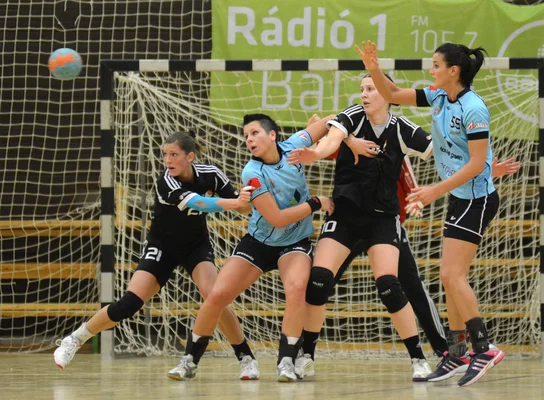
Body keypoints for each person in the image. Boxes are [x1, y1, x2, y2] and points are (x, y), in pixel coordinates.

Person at [356, 40, 504, 386]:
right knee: (448, 277)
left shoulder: (474, 108)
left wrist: (434, 190)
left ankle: (484, 347)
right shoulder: (438, 96)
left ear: (454, 71)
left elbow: (478, 164)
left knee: (453, 277)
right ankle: (456, 352)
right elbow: (390, 93)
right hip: (458, 197)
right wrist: (373, 67)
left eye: (436, 65)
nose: (431, 70)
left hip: (476, 199)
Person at [54, 131, 260, 380]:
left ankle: (246, 358)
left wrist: (247, 196)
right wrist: (235, 203)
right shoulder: (166, 182)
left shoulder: (211, 174)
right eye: (165, 155)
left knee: (215, 296)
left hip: (196, 245)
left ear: (190, 156)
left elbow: (243, 205)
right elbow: (200, 204)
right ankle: (74, 340)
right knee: (129, 304)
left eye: (174, 155)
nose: (168, 160)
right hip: (163, 247)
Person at [166, 113, 335, 383]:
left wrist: (336, 136)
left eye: (254, 133)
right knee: (218, 294)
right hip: (260, 242)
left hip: (294, 242)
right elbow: (277, 218)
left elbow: (333, 121)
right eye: (246, 136)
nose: (249, 139)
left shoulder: (295, 144)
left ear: (272, 135)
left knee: (296, 289)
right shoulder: (252, 172)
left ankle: (286, 362)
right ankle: (190, 360)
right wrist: (316, 202)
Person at [287, 74, 434, 381]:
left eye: (371, 89)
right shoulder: (353, 116)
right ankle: (307, 355)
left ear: (387, 94)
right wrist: (315, 153)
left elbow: (437, 149)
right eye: (363, 89)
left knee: (389, 286)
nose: (365, 94)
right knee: (319, 279)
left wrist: (478, 163)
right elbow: (331, 139)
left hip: (382, 218)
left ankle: (418, 359)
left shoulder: (401, 128)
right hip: (346, 214)